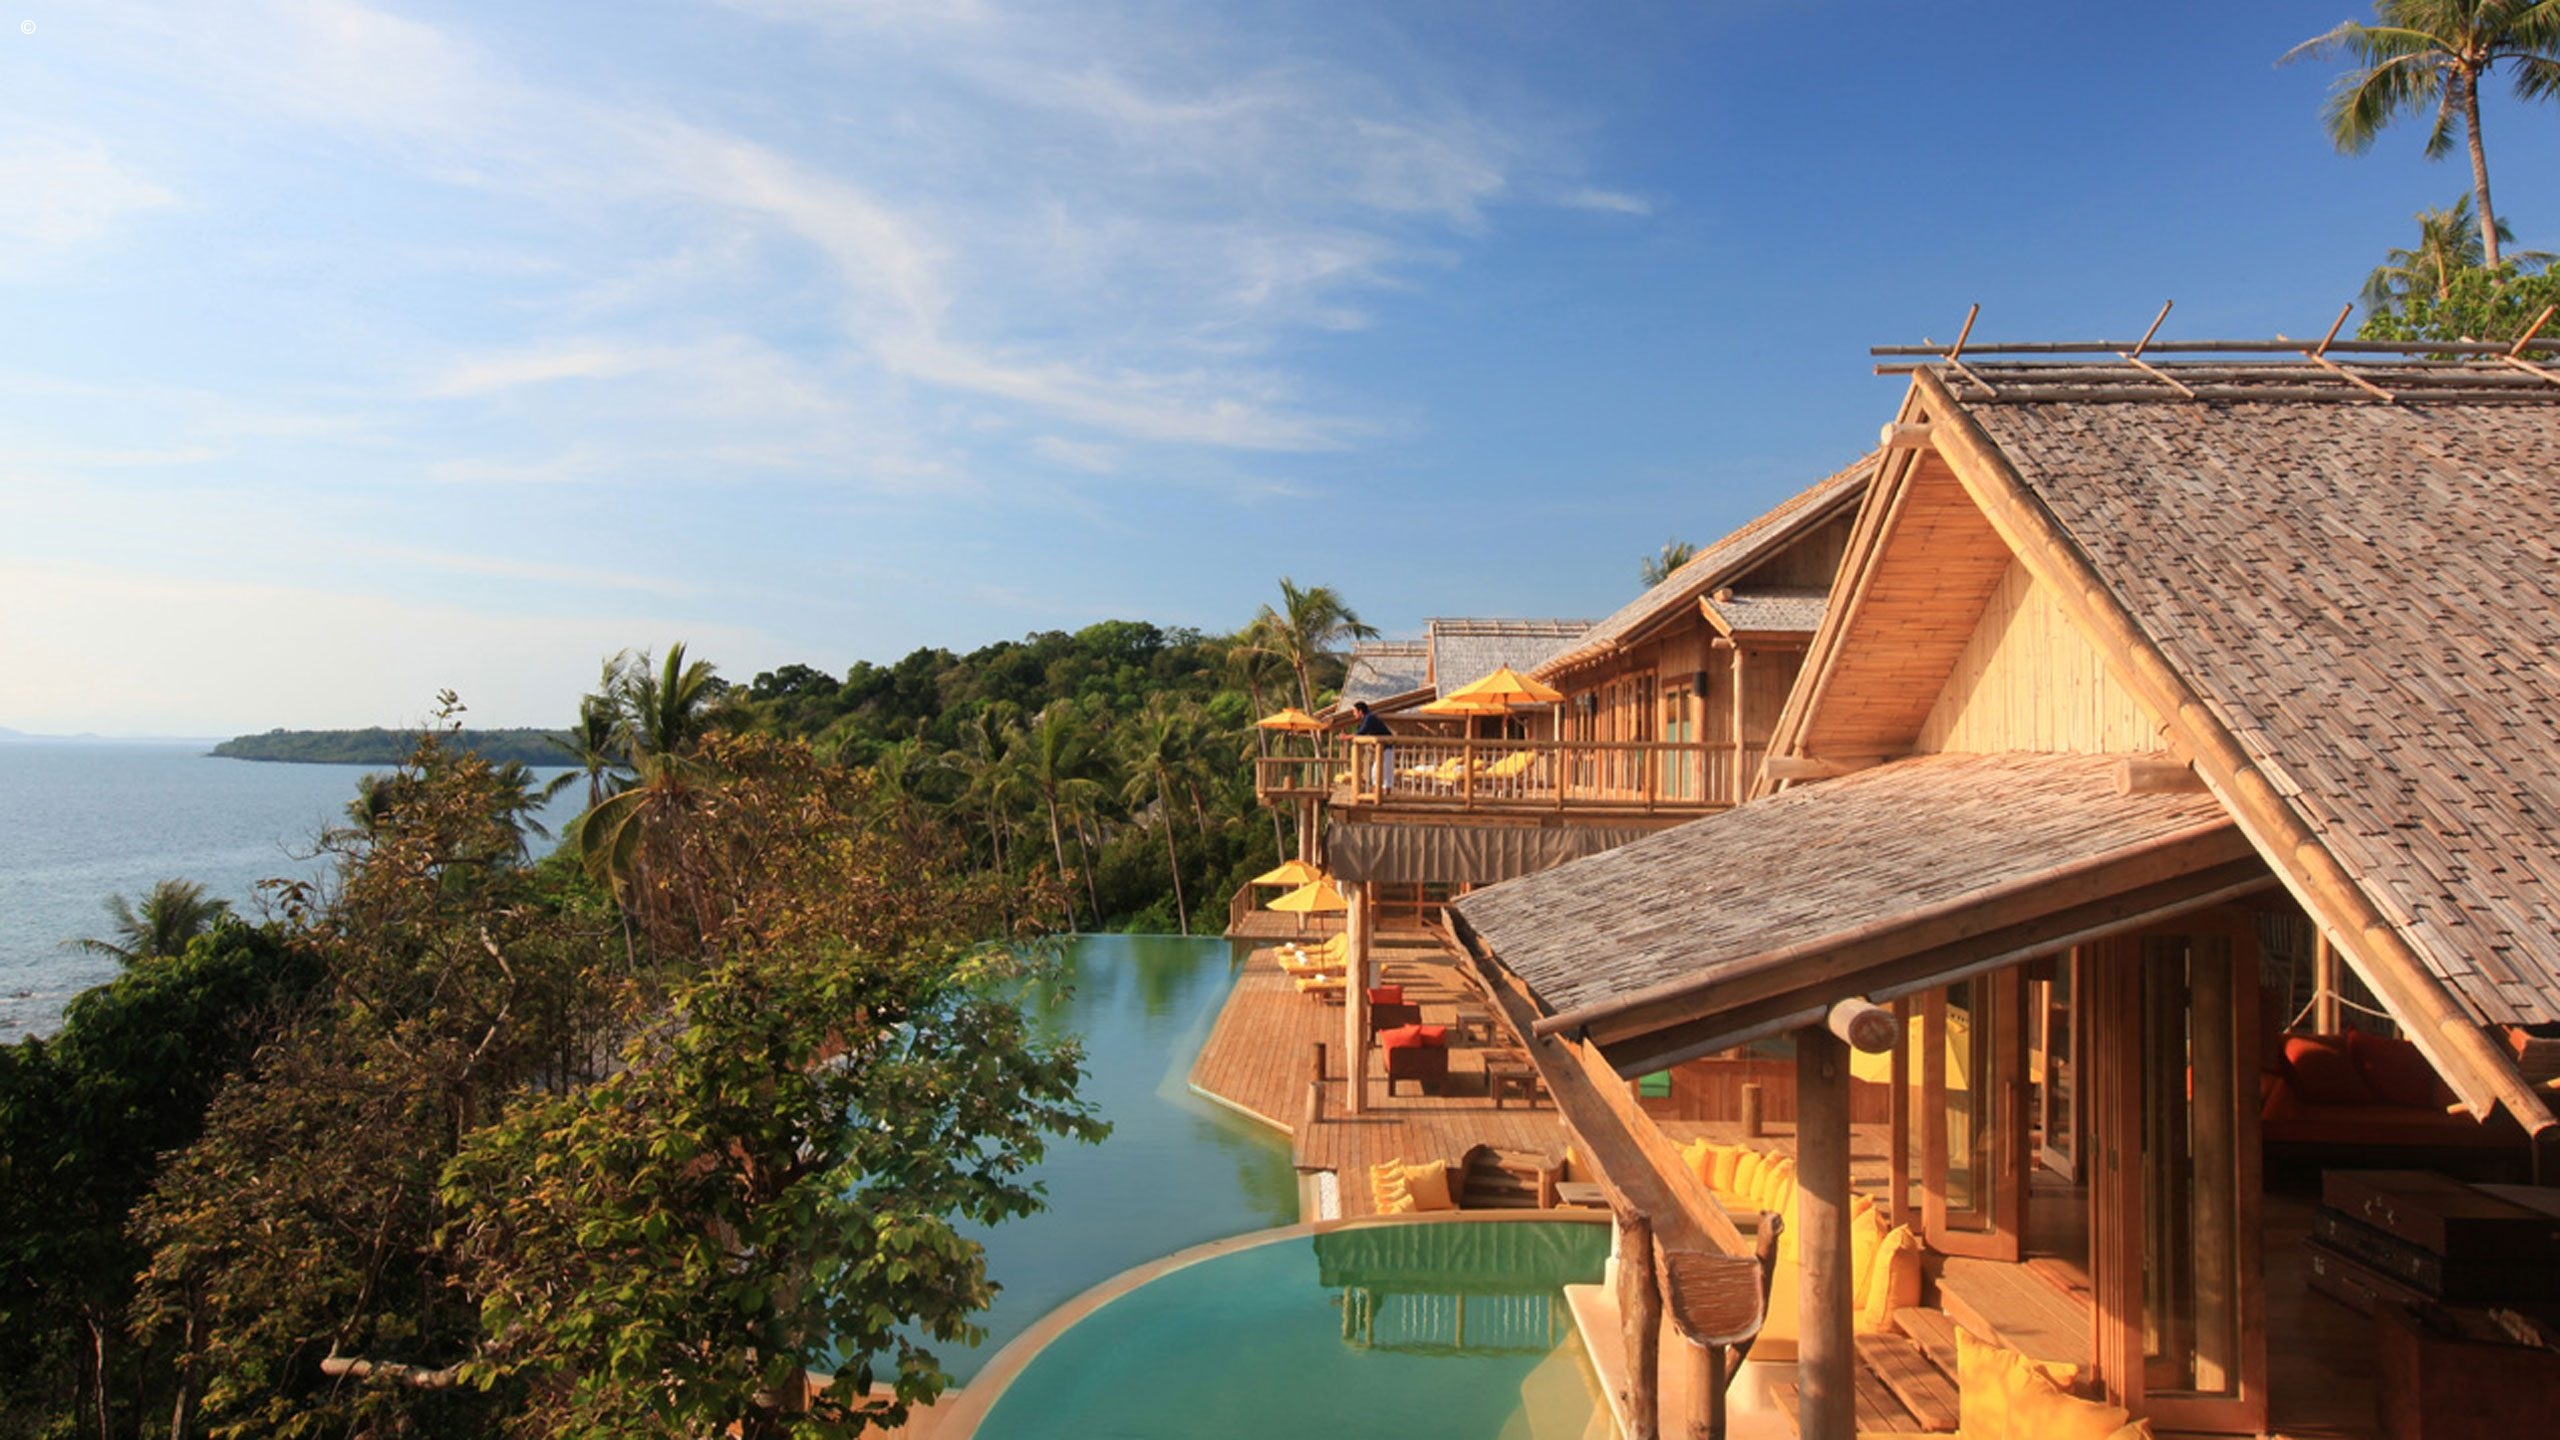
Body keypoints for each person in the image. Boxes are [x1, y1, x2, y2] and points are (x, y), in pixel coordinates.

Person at [1350, 700, 1392, 791]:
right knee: (1376, 771)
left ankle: (1382, 792)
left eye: (1354, 711)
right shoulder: (1366, 719)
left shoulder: (1369, 718)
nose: (1353, 714)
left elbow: (1360, 733)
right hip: (1381, 747)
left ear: (1360, 711)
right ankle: (1377, 791)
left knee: (1384, 771)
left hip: (1386, 746)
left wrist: (1346, 737)